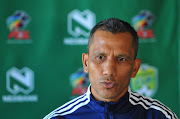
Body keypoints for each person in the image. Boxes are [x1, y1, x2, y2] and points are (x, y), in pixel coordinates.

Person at [44, 18, 177, 119]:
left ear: (135, 68)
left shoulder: (159, 116)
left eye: (121, 59)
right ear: (86, 63)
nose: (109, 71)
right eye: (100, 57)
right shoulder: (58, 118)